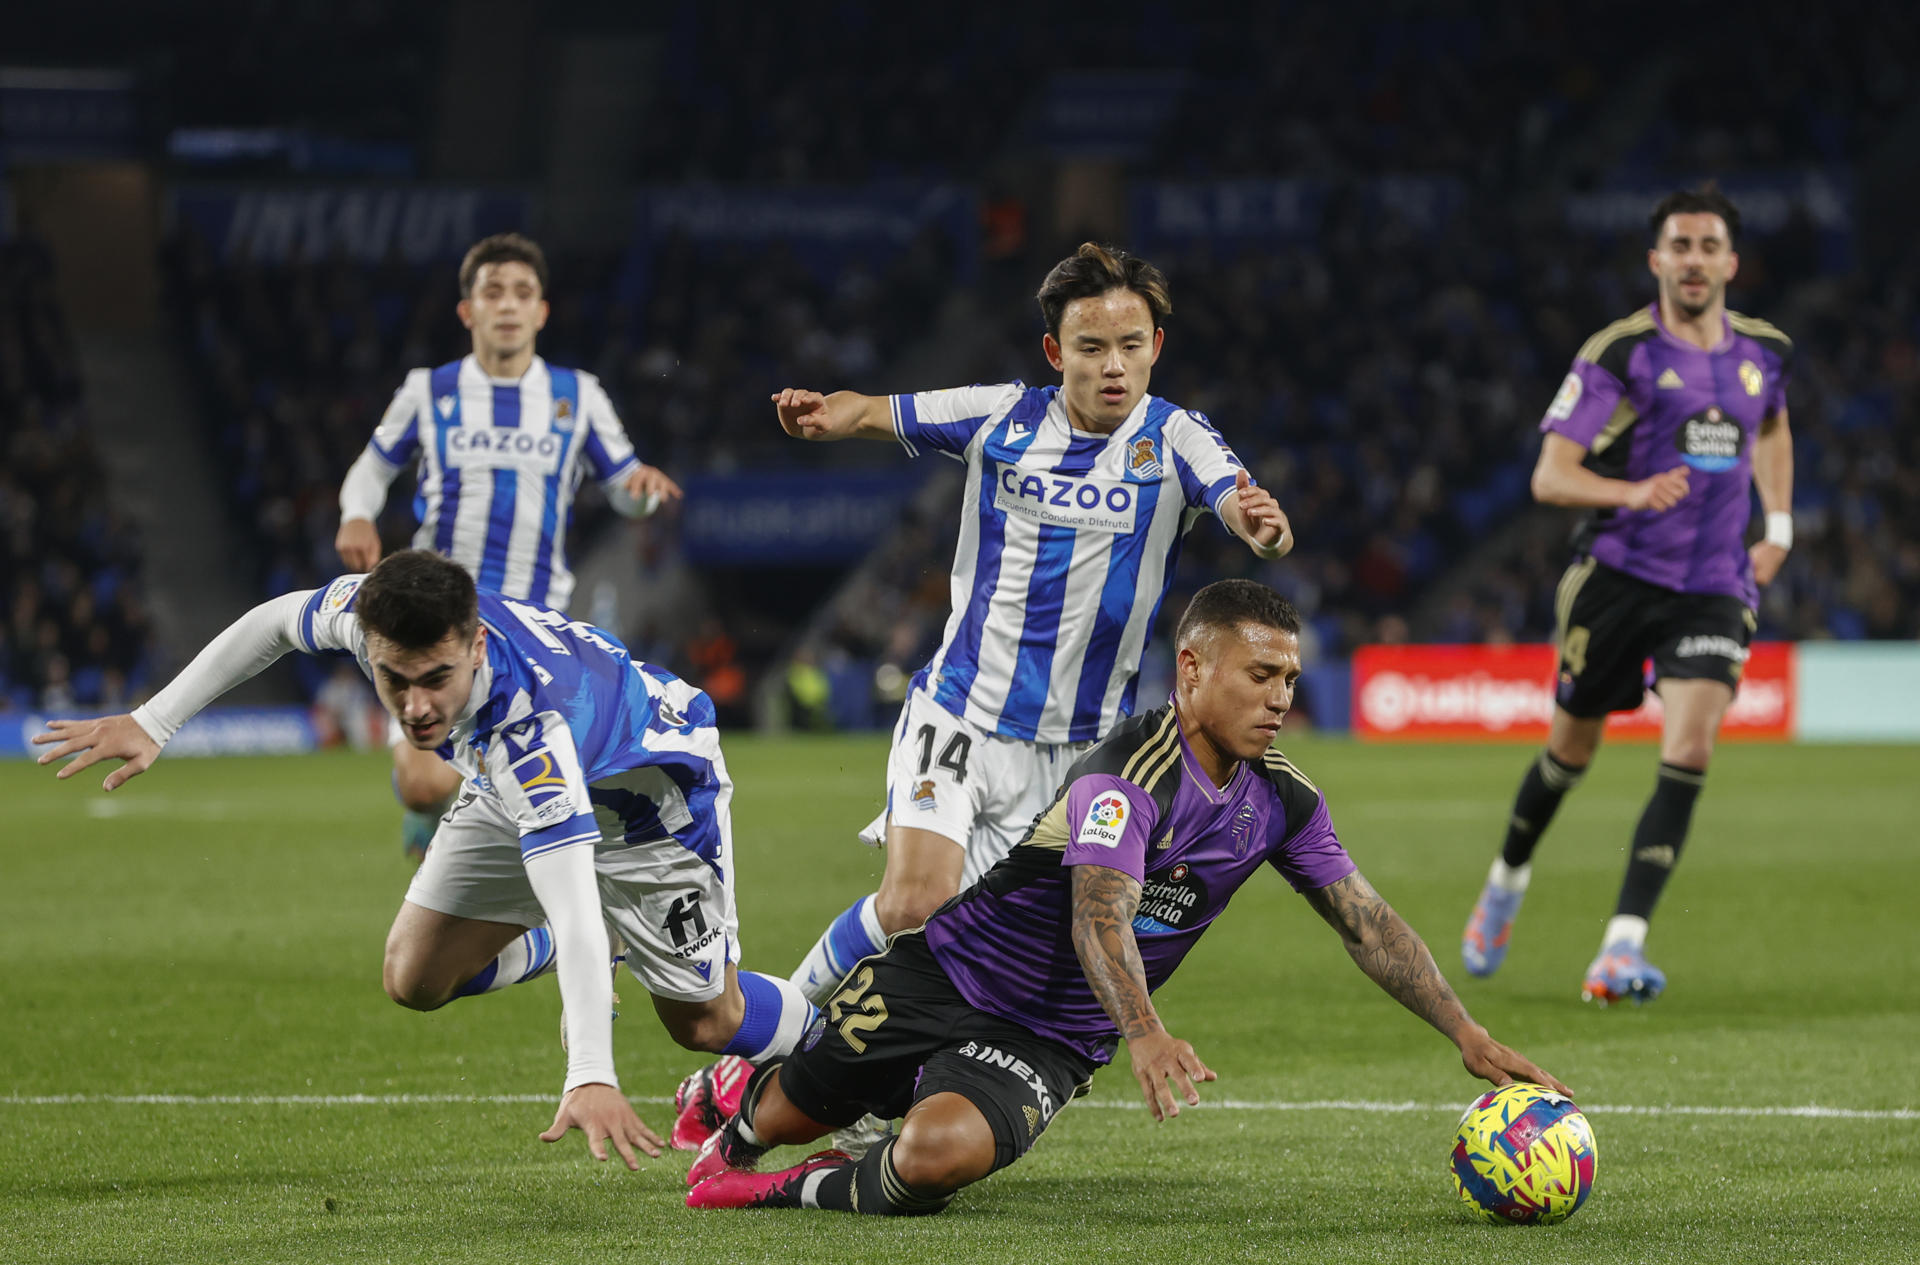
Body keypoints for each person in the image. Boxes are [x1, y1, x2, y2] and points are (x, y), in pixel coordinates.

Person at [671, 241, 1294, 1151]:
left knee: (975, 950)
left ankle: (859, 1088)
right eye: (1089, 346)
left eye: (1128, 344)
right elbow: (877, 410)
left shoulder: (1177, 438)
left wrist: (1261, 528)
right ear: (1056, 353)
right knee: (914, 901)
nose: (1110, 364)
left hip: (1083, 755)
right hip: (961, 715)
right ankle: (759, 1054)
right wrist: (825, 417)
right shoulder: (1001, 417)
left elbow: (1238, 498)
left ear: (1156, 344)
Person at [675, 580, 1566, 1214]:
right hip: (945, 976)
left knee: (933, 1158)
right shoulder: (1128, 775)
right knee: (778, 1113)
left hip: (1050, 1036)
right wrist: (1145, 1033)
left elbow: (1368, 924)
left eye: (1289, 680)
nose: (1280, 699)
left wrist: (1467, 1033)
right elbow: (1097, 911)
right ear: (1191, 670)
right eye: (1259, 676)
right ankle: (741, 1103)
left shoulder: (1286, 801)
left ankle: (779, 1189)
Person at [34, 550, 814, 1171]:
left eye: (437, 678)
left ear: (475, 646)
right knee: (413, 978)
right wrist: (153, 720)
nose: (415, 708)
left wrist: (591, 1074)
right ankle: (611, 944)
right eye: (393, 680)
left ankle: (855, 1041)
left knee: (707, 1021)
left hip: (646, 800)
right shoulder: (367, 614)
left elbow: (574, 902)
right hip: (511, 782)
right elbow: (274, 622)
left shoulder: (530, 731)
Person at [1461, 187, 1794, 1005]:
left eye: (1708, 245)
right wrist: (1633, 493)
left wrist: (1778, 527)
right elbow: (1551, 474)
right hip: (1615, 580)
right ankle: (1507, 878)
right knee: (1570, 753)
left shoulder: (1764, 353)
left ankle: (1621, 948)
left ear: (1730, 263)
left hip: (1715, 586)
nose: (1693, 259)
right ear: (1657, 261)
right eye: (1679, 245)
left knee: (1690, 750)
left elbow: (1774, 429)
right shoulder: (1621, 353)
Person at [333, 233, 682, 860]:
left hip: (532, 621)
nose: (508, 306)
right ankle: (431, 810)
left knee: (546, 786)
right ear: (468, 311)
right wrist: (357, 514)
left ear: (542, 311)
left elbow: (624, 487)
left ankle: (503, 872)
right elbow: (371, 469)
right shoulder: (428, 391)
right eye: (493, 292)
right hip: (437, 617)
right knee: (420, 787)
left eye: (523, 293)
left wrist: (645, 494)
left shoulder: (577, 396)